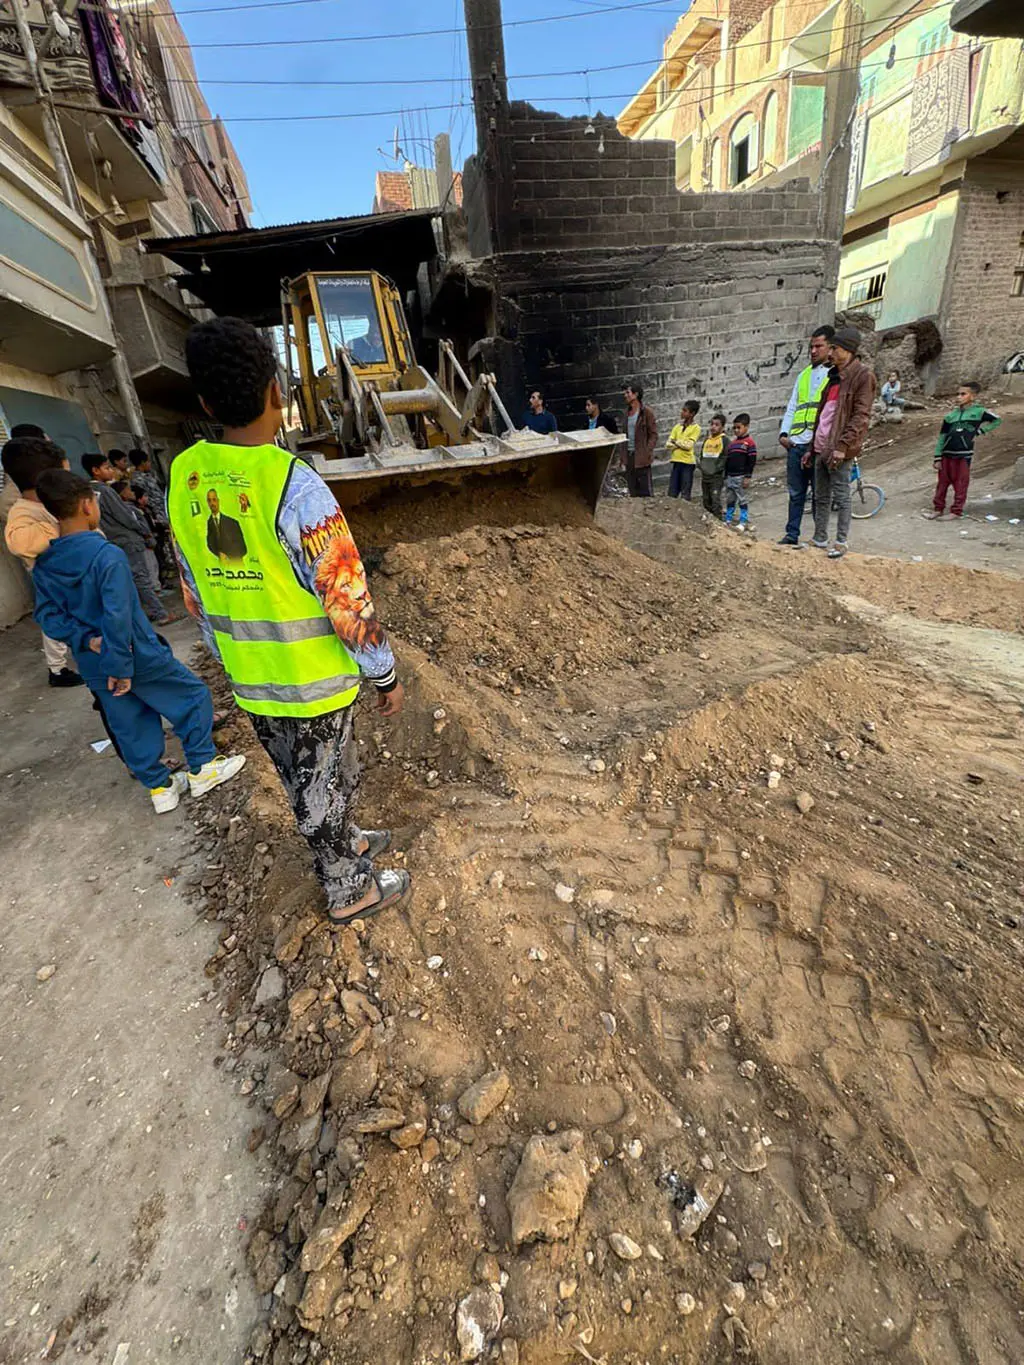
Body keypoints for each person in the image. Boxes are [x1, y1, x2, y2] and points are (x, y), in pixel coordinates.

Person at [170, 315, 410, 927]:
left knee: (312, 778)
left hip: (253, 678)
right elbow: (345, 595)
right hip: (312, 680)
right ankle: (349, 889)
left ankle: (347, 839)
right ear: (277, 392)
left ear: (205, 403)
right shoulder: (295, 486)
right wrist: (383, 672)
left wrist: (227, 657)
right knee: (319, 788)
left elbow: (194, 589)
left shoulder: (183, 478)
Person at [31, 469, 245, 813]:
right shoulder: (107, 555)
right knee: (192, 696)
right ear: (86, 506)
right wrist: (120, 665)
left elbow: (47, 616)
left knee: (130, 723)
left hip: (93, 663)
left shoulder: (45, 565)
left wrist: (87, 640)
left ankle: (161, 788)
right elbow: (118, 615)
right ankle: (203, 766)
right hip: (136, 655)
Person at [1, 436, 84, 688]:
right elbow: (19, 543)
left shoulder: (55, 503)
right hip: (55, 584)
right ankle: (57, 669)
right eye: (63, 474)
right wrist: (57, 528)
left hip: (79, 578)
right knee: (57, 624)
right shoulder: (23, 512)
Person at [806, 326, 876, 558]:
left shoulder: (862, 377)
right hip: (821, 446)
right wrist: (811, 448)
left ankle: (841, 541)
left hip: (838, 448)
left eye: (834, 348)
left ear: (848, 350)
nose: (830, 352)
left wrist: (843, 446)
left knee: (842, 496)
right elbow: (823, 415)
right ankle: (820, 537)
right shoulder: (833, 377)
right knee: (821, 496)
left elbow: (860, 416)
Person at [83, 452, 175, 625]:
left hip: (111, 539)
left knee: (128, 578)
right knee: (140, 577)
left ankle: (141, 613)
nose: (111, 471)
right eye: (107, 467)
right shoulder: (105, 491)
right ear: (95, 470)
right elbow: (124, 515)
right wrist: (143, 530)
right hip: (126, 538)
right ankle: (159, 613)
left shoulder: (88, 492)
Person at [777, 325, 834, 545]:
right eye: (811, 346)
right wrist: (784, 433)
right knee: (795, 493)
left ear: (830, 347)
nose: (813, 351)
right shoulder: (803, 375)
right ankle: (792, 534)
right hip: (796, 443)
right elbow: (793, 406)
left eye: (819, 346)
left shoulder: (834, 376)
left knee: (820, 494)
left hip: (818, 445)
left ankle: (819, 537)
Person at [923, 381, 1001, 520]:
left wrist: (981, 431)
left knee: (961, 483)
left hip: (964, 454)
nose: (958, 397)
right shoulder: (950, 416)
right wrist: (937, 457)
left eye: (963, 394)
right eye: (958, 394)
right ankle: (938, 509)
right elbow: (942, 437)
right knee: (942, 484)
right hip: (947, 454)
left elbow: (997, 420)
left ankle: (956, 511)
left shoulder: (979, 412)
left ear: (973, 396)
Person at [723, 413, 757, 528]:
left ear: (746, 427)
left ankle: (743, 521)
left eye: (739, 427)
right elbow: (728, 461)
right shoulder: (732, 444)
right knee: (730, 499)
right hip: (730, 476)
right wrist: (726, 476)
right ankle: (728, 519)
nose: (736, 430)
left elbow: (751, 461)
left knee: (742, 499)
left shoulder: (749, 443)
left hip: (740, 476)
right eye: (734, 428)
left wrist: (748, 476)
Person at [623, 383, 657, 498]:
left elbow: (653, 434)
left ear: (636, 394)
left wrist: (647, 450)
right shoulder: (626, 413)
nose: (625, 395)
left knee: (645, 491)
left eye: (628, 393)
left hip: (642, 457)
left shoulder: (646, 412)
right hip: (629, 456)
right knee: (632, 490)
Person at [666, 400, 701, 501]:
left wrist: (676, 442)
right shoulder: (677, 427)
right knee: (672, 492)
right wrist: (680, 444)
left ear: (692, 414)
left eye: (685, 411)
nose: (682, 412)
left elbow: (689, 445)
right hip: (676, 461)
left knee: (685, 492)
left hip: (687, 463)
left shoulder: (696, 428)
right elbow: (668, 444)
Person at [696, 413, 728, 518]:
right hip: (705, 476)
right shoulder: (707, 440)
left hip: (716, 477)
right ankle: (709, 521)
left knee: (715, 500)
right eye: (712, 424)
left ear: (722, 427)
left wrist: (716, 469)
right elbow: (702, 455)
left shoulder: (724, 440)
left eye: (717, 425)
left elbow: (725, 457)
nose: (713, 427)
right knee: (706, 499)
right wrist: (702, 466)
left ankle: (718, 520)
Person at [205, 487, 248, 562]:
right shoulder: (209, 523)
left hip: (236, 564)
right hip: (221, 566)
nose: (212, 503)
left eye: (214, 500)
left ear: (218, 501)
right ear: (207, 503)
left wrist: (229, 557)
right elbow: (210, 544)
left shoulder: (232, 523)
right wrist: (219, 554)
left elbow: (243, 548)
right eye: (209, 500)